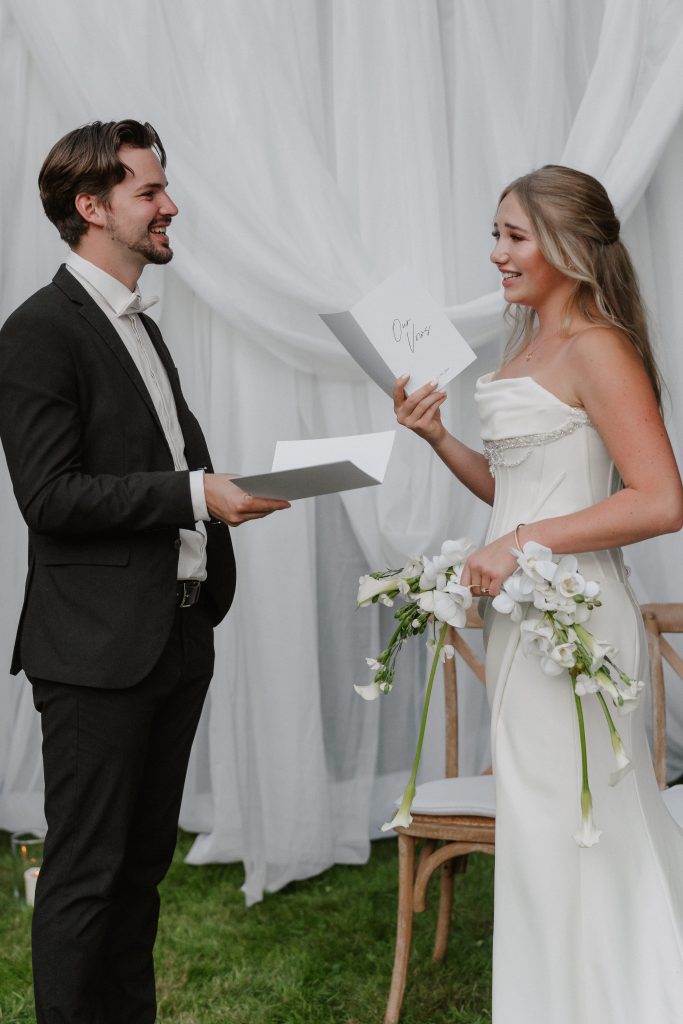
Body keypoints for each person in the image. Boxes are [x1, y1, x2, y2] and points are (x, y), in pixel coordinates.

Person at [0, 119, 290, 1024]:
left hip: (176, 633)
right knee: (85, 875)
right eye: (149, 192)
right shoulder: (39, 331)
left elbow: (155, 464)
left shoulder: (139, 324)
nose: (171, 207)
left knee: (139, 872)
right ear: (91, 208)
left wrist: (218, 492)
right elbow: (50, 496)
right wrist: (197, 493)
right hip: (94, 654)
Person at [393, 165, 683, 1023]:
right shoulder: (526, 347)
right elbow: (520, 494)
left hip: (576, 619)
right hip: (522, 618)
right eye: (496, 235)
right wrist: (438, 438)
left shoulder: (598, 346)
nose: (497, 254)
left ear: (570, 244)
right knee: (542, 822)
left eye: (514, 236)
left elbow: (660, 500)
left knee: (577, 819)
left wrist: (519, 545)